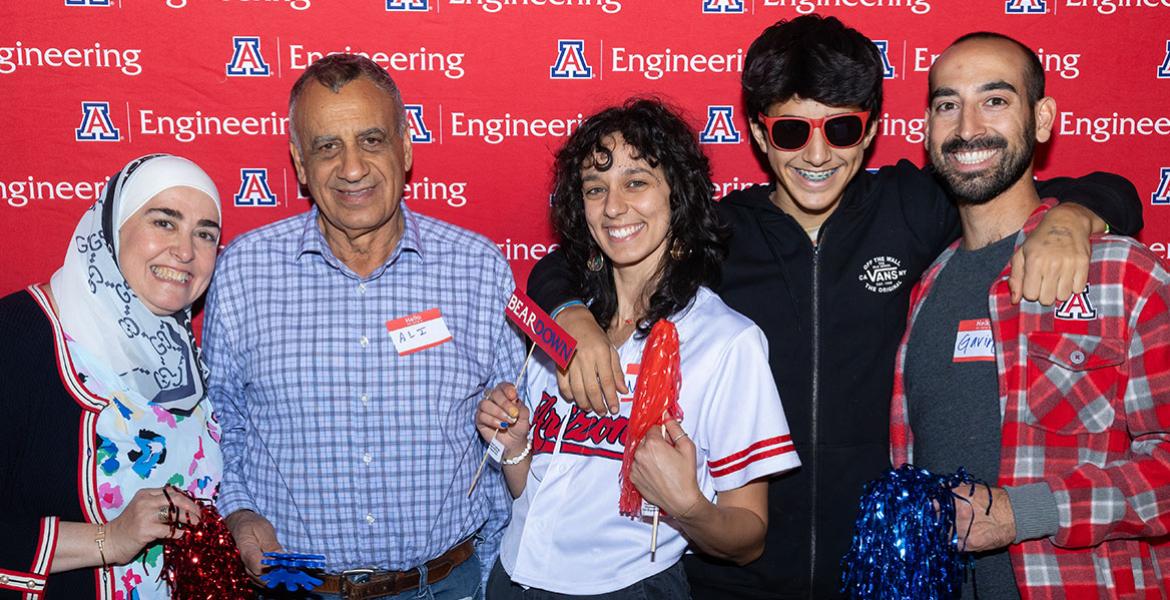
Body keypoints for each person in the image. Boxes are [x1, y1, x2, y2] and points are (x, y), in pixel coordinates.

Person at [525, 15, 1142, 599]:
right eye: (793, 130)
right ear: (762, 134)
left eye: (840, 128)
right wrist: (573, 314)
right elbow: (570, 259)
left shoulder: (915, 206)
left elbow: (1110, 193)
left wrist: (1071, 217)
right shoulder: (721, 232)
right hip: (732, 574)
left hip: (882, 568)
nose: (817, 155)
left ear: (871, 130)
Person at [205, 53, 524, 600]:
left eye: (371, 140)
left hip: (443, 583)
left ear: (405, 148)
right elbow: (221, 418)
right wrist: (236, 511)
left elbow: (510, 435)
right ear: (300, 164)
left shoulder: (477, 267)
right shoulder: (244, 270)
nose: (351, 168)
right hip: (296, 584)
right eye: (327, 147)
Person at [480, 98, 800, 600]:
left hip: (630, 587)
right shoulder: (562, 327)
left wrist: (689, 506)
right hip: (512, 578)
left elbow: (749, 538)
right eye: (595, 188)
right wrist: (517, 445)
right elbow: (536, 495)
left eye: (636, 182)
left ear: (678, 195)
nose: (612, 206)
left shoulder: (725, 341)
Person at [889, 32, 1170, 598]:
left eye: (995, 100)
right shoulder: (926, 290)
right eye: (948, 104)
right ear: (926, 127)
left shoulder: (1120, 275)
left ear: (1042, 120)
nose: (967, 127)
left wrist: (1025, 512)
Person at [0, 154, 223, 599]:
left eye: (205, 234)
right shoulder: (17, 336)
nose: (185, 251)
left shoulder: (184, 358)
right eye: (164, 222)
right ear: (113, 225)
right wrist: (110, 540)